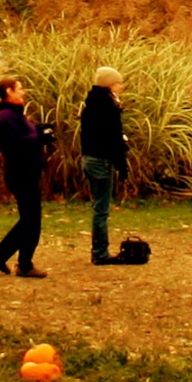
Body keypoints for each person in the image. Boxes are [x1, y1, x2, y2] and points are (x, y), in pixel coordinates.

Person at [0, 77, 49, 277]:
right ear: (9, 91)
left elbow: (27, 138)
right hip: (21, 174)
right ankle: (17, 261)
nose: (23, 91)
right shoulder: (6, 118)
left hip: (27, 173)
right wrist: (39, 137)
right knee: (31, 221)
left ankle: (11, 258)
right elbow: (16, 145)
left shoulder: (16, 116)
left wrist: (40, 132)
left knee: (30, 220)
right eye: (20, 88)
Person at [80, 67, 129, 265]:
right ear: (109, 85)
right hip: (100, 161)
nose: (121, 87)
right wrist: (122, 165)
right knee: (101, 209)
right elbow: (112, 138)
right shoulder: (108, 107)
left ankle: (99, 250)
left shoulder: (90, 104)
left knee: (98, 206)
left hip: (89, 159)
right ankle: (100, 252)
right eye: (118, 83)